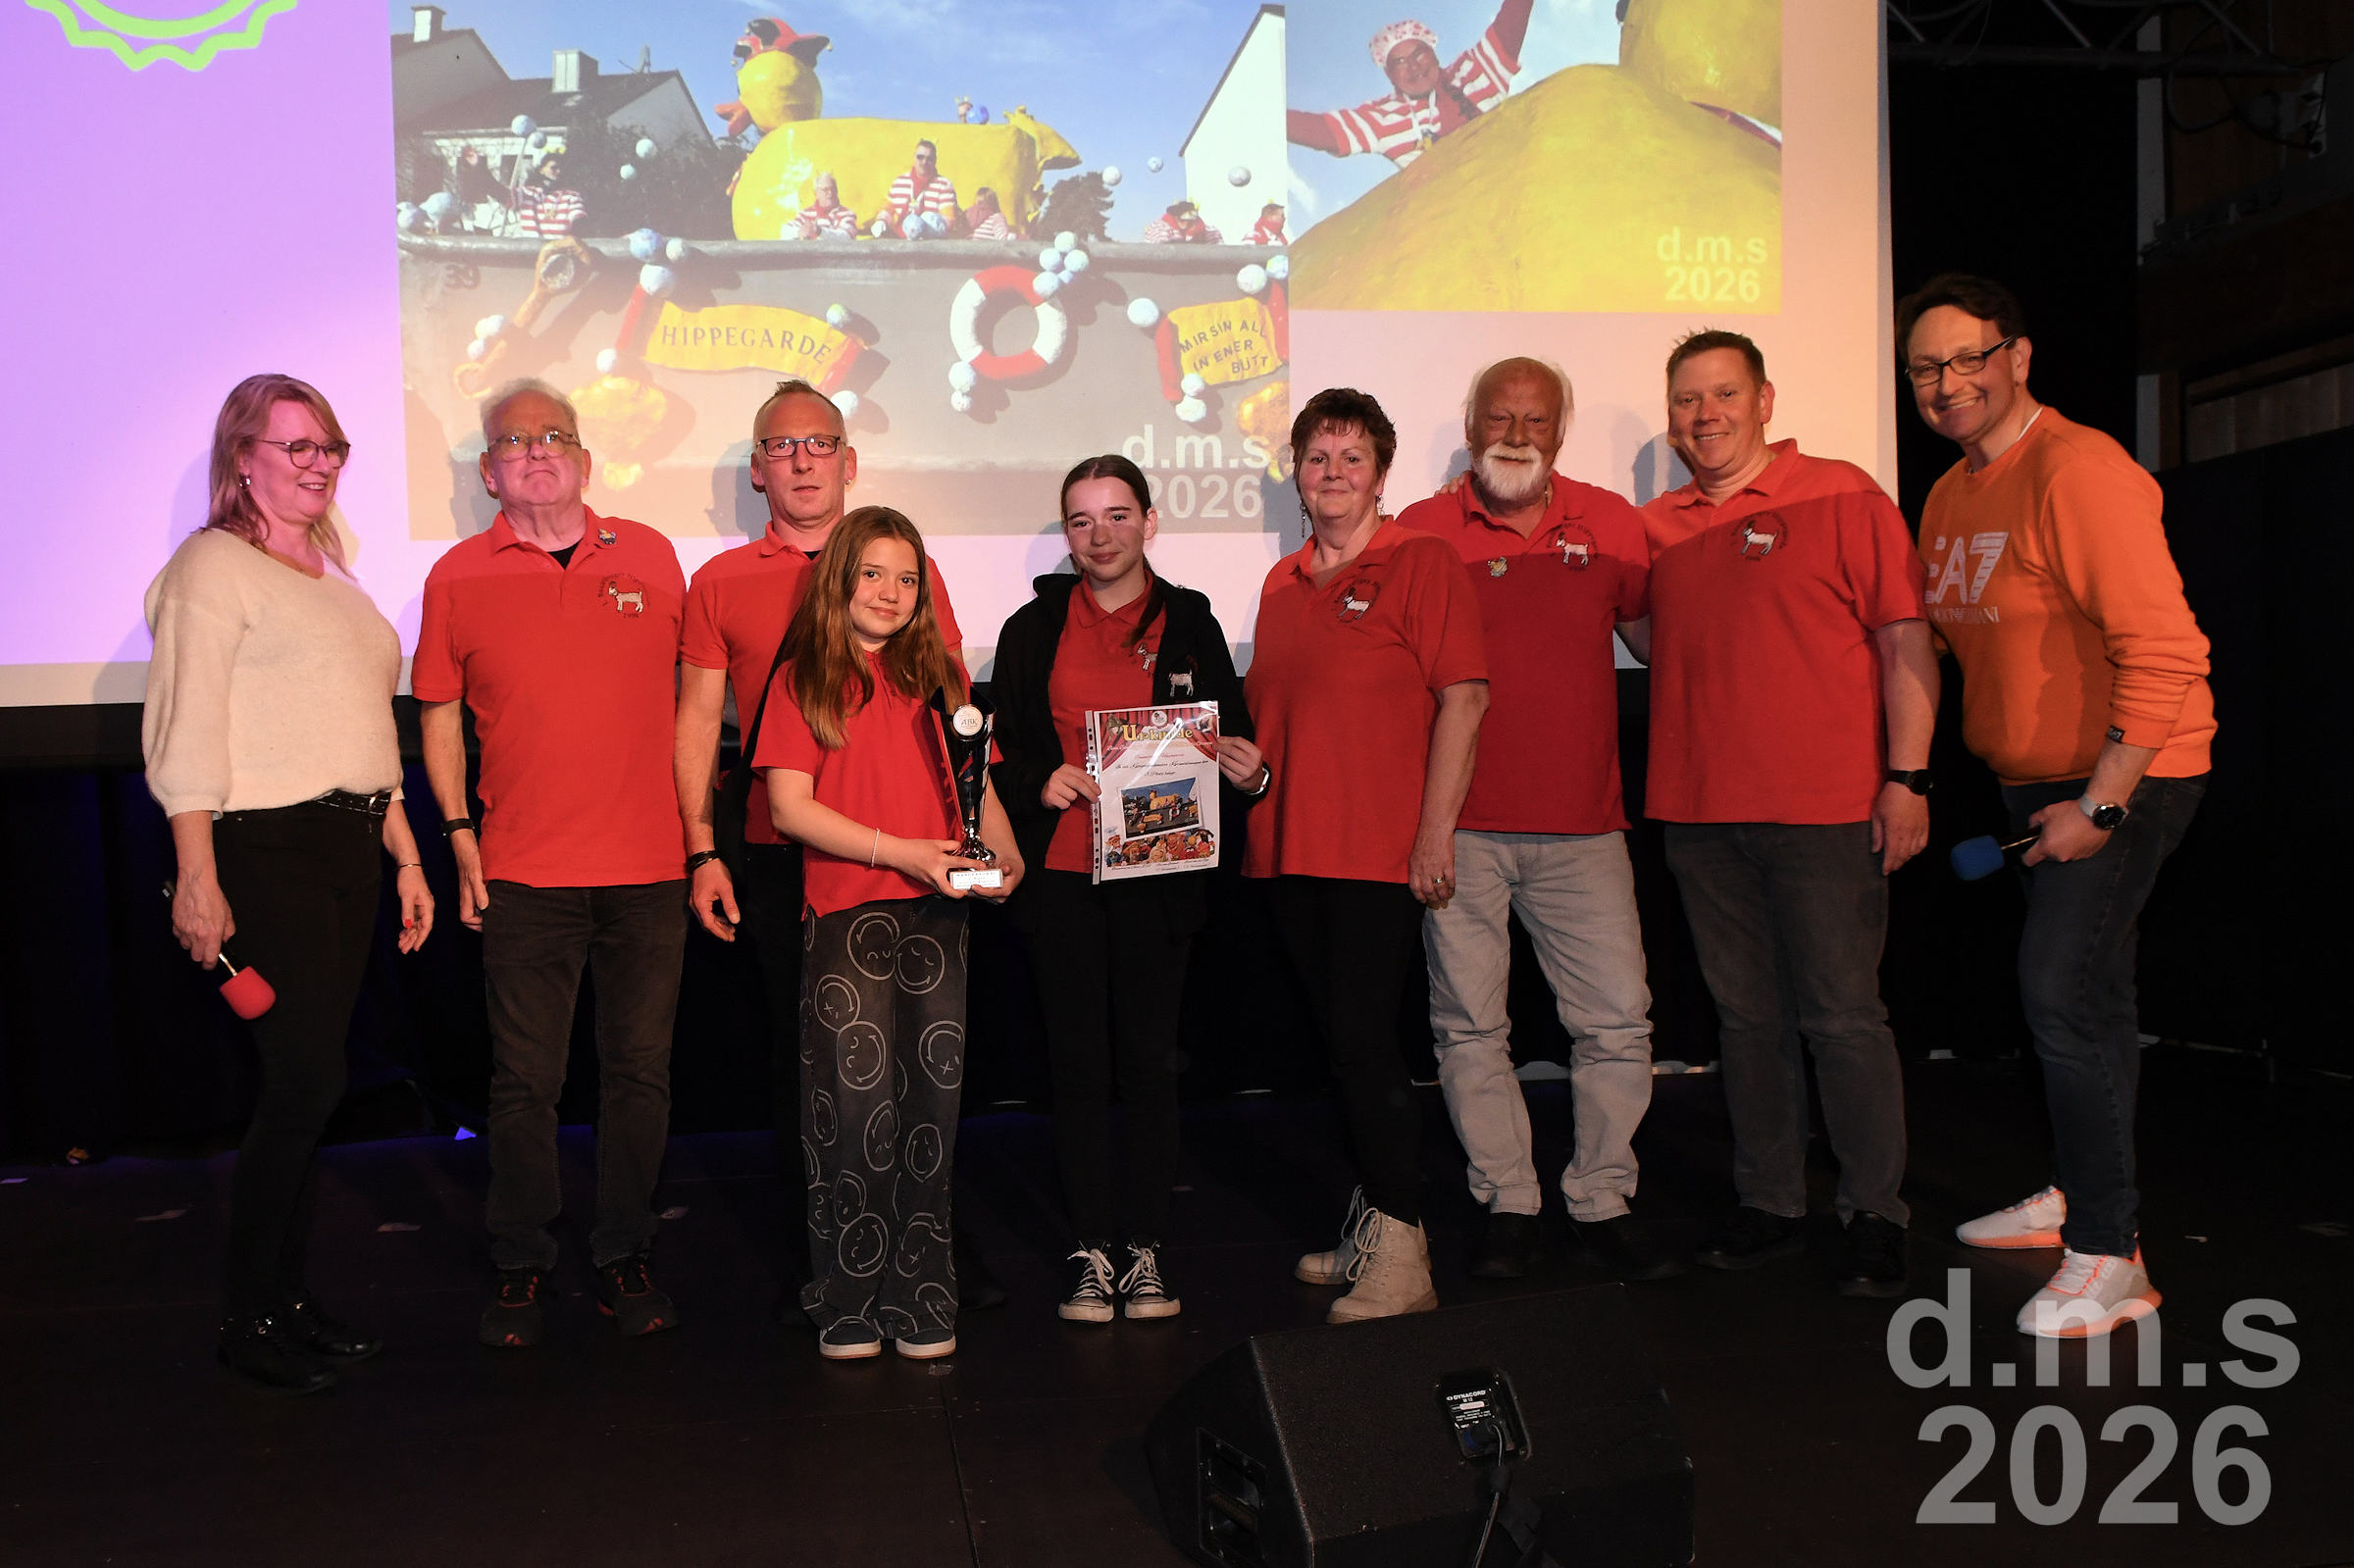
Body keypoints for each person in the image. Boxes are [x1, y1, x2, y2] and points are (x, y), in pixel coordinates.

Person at [1900, 275, 2215, 1339]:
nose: (1947, 383)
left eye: (1968, 358)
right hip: (2038, 784)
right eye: (1926, 368)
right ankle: (2084, 1194)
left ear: (2019, 356)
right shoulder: (1951, 494)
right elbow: (1944, 641)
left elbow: (2167, 649)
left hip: (2130, 774)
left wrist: (2104, 804)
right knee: (2094, 996)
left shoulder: (2079, 470)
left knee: (2059, 994)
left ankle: (2111, 1256)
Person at [675, 379, 995, 1319]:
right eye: (782, 446)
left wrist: (984, 839)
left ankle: (926, 1253)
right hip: (784, 851)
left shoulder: (908, 568)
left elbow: (956, 720)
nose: (802, 459)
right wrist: (701, 847)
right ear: (758, 469)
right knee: (817, 1066)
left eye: (819, 442)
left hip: (921, 854)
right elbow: (696, 721)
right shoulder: (720, 580)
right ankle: (830, 1260)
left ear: (848, 460)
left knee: (926, 1066)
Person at [144, 374, 435, 1392]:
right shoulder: (213, 566)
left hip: (349, 847)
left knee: (313, 1087)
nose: (319, 464)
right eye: (296, 446)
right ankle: (249, 1317)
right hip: (265, 849)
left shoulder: (333, 575)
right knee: (303, 1083)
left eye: (330, 447)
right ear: (243, 458)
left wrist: (404, 853)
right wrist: (197, 878)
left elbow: (362, 732)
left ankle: (289, 1300)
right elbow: (185, 731)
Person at [1635, 329, 1936, 1298]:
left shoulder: (1844, 494)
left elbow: (1905, 642)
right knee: (1747, 1021)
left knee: (1843, 1018)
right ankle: (1770, 1202)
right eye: (1688, 400)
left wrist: (1908, 779)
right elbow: (1650, 638)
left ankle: (1874, 1213)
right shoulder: (1656, 528)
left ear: (1765, 400)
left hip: (1826, 811)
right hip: (1700, 816)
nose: (1705, 414)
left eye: (1724, 394)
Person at [416, 379, 690, 1349]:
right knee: (525, 1082)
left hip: (650, 868)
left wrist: (702, 843)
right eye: (514, 440)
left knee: (639, 1074)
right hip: (524, 873)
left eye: (554, 436)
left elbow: (697, 703)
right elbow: (438, 716)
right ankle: (521, 1259)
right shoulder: (456, 575)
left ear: (585, 459)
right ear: (489, 472)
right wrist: (459, 834)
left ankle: (624, 1251)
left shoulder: (652, 556)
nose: (536, 450)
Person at [1398, 358, 1675, 1284]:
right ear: (1471, 424)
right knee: (1470, 1029)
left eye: (1537, 419)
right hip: (1460, 829)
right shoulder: (1419, 530)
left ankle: (1601, 1196)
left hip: (1585, 828)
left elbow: (1658, 642)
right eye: (1500, 416)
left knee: (1617, 1023)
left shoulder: (1613, 521)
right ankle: (1509, 1199)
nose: (1517, 434)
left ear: (1561, 430)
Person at [991, 456, 1261, 1324]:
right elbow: (1001, 748)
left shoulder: (1191, 620)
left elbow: (1232, 736)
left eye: (1116, 515)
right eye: (1081, 519)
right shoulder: (1032, 627)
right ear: (1067, 534)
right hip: (1062, 879)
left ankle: (1144, 1249)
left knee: (1147, 1065)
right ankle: (1089, 1251)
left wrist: (1250, 771)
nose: (1099, 534)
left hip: (1159, 878)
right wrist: (1040, 780)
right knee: (1076, 1068)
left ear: (1150, 520)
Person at [753, 507, 1024, 1360]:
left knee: (930, 1113)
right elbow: (788, 807)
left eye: (907, 578)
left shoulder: (941, 677)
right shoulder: (804, 676)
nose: (890, 591)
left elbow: (977, 785)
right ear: (840, 578)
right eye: (873, 573)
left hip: (938, 915)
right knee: (852, 1112)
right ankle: (847, 1300)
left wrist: (1009, 854)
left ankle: (921, 1295)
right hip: (847, 914)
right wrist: (902, 851)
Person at [1248, 387, 1488, 1322]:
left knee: (1365, 1046)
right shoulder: (1280, 582)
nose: (1333, 473)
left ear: (1381, 473)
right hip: (1288, 848)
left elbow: (1464, 697)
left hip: (1377, 853)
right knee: (1340, 1052)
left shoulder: (1422, 561)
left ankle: (1406, 1256)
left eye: (1353, 458)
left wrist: (1434, 832)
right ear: (1297, 474)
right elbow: (1286, 717)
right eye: (1318, 457)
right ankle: (1377, 1223)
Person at [1287, 4, 1533, 169]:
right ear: (1390, 75)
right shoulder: (1382, 119)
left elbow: (1515, 13)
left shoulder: (1475, 71)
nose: (1414, 67)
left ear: (1434, 53)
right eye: (1400, 63)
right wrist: (1267, 116)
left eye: (1419, 54)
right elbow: (1319, 130)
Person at [875, 139, 960, 239]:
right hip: (899, 238)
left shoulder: (944, 184)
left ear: (935, 161)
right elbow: (888, 209)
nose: (924, 162)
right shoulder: (900, 181)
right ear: (914, 157)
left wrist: (928, 227)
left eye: (929, 159)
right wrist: (881, 221)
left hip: (930, 242)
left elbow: (949, 219)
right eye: (920, 157)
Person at [515, 153, 585, 238]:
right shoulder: (527, 193)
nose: (559, 171)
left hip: (559, 245)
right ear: (542, 170)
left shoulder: (571, 196)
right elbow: (505, 196)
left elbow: (578, 221)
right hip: (531, 246)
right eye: (554, 168)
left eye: (561, 168)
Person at [796, 173, 860, 239]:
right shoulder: (804, 214)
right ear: (816, 193)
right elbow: (789, 231)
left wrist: (820, 231)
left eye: (833, 189)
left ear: (837, 191)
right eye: (825, 190)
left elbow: (847, 236)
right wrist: (800, 232)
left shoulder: (847, 214)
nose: (830, 193)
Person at [1142, 200, 1222, 244]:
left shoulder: (1207, 230)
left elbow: (1219, 250)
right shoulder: (1161, 228)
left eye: (1190, 221)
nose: (1186, 224)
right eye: (1182, 220)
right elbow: (1161, 250)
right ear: (1176, 217)